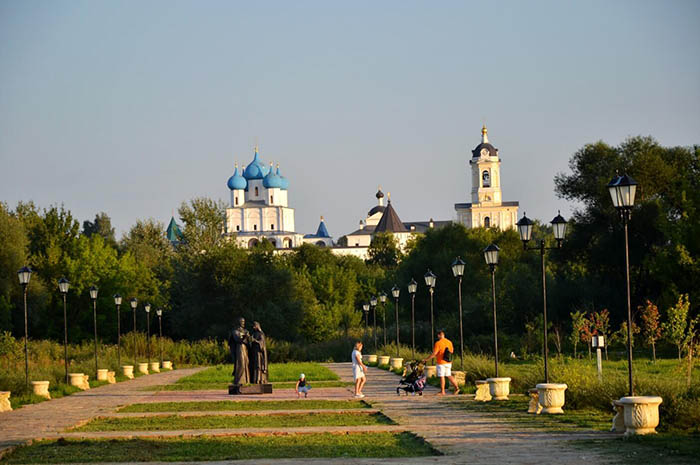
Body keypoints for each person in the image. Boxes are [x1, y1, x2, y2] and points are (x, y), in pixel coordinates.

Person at [422, 330, 460, 395]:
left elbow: (434, 353)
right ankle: (457, 387)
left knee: (442, 376)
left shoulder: (438, 343)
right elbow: (452, 351)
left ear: (439, 335)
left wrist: (426, 359)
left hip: (441, 362)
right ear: (444, 335)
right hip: (448, 362)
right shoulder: (449, 342)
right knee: (448, 375)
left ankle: (442, 391)